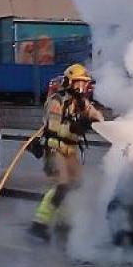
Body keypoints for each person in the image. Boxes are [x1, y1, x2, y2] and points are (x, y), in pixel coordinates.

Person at [30, 63, 110, 240]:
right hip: (55, 146)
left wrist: (96, 120)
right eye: (77, 83)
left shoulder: (81, 102)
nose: (81, 88)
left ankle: (62, 222)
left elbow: (97, 117)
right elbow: (54, 127)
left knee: (76, 183)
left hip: (70, 148)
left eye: (84, 84)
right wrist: (77, 125)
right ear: (68, 82)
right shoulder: (57, 101)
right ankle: (39, 223)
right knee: (63, 184)